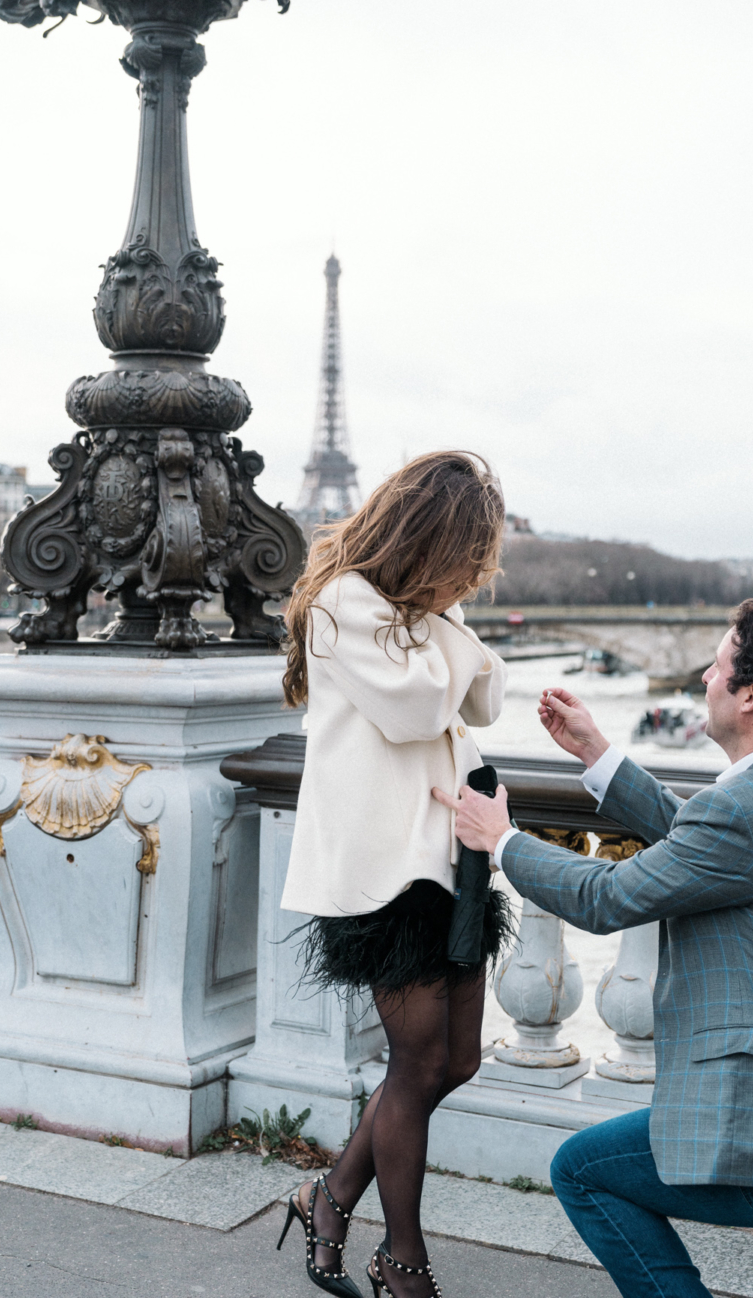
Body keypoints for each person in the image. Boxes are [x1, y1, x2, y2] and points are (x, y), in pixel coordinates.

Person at [434, 598, 753, 1298]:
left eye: (718, 662)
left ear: (749, 695)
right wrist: (601, 757)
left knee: (583, 1171)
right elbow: (704, 845)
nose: (704, 674)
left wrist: (502, 840)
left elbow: (608, 897)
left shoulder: (745, 811)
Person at [276, 451, 511, 1298]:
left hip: (453, 858)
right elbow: (419, 709)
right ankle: (401, 1257)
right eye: (463, 564)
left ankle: (329, 1195)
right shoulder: (342, 604)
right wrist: (448, 636)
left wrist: (439, 625)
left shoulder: (415, 616)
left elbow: (488, 696)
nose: (468, 582)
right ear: (427, 544)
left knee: (458, 1062)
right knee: (416, 1066)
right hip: (386, 871)